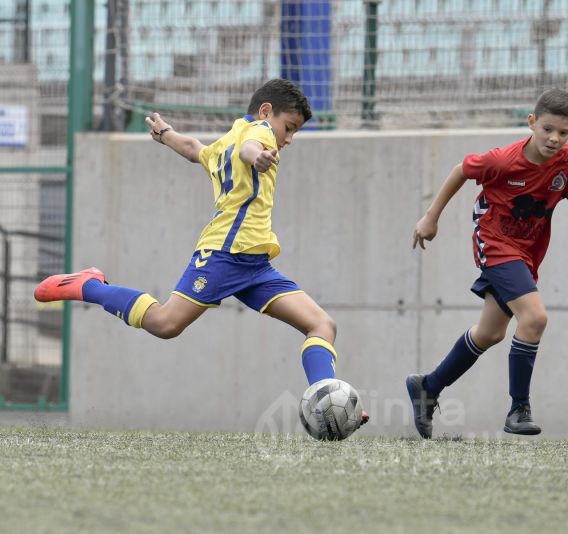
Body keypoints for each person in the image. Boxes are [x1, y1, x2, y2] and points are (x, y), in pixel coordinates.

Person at [35, 79, 367, 427]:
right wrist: (260, 156)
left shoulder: (228, 139)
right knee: (165, 324)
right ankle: (89, 285)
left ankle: (328, 404)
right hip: (223, 255)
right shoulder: (258, 133)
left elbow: (196, 150)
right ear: (267, 112)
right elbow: (250, 149)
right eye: (289, 128)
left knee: (321, 324)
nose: (287, 140)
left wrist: (165, 134)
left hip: (255, 265)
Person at [407, 88, 568, 438]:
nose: (554, 139)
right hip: (494, 241)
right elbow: (461, 169)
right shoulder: (503, 160)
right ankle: (518, 409)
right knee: (535, 317)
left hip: (526, 251)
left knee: (490, 333)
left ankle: (427, 387)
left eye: (564, 132)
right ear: (532, 123)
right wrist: (431, 217)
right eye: (548, 129)